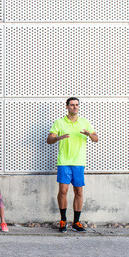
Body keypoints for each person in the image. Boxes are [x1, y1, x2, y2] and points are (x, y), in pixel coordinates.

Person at [47, 97, 98, 233]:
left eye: (77, 105)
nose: (75, 107)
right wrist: (57, 138)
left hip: (79, 162)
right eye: (72, 105)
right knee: (63, 191)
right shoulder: (59, 122)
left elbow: (96, 138)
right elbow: (49, 139)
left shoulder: (84, 122)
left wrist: (89, 134)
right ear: (67, 106)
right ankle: (63, 220)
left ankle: (76, 222)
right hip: (64, 161)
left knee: (79, 191)